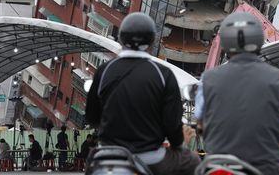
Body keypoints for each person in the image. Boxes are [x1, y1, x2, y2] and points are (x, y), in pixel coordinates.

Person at [195, 12, 279, 175]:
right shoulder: (278, 79)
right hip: (265, 166)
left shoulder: (208, 79)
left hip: (220, 165)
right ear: (258, 40)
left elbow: (200, 122)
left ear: (225, 42)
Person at [86, 12, 200, 175]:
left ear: (121, 38)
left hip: (108, 155)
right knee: (192, 161)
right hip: (150, 159)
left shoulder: (105, 70)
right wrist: (179, 144)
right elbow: (171, 124)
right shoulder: (163, 74)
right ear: (152, 41)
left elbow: (92, 117)